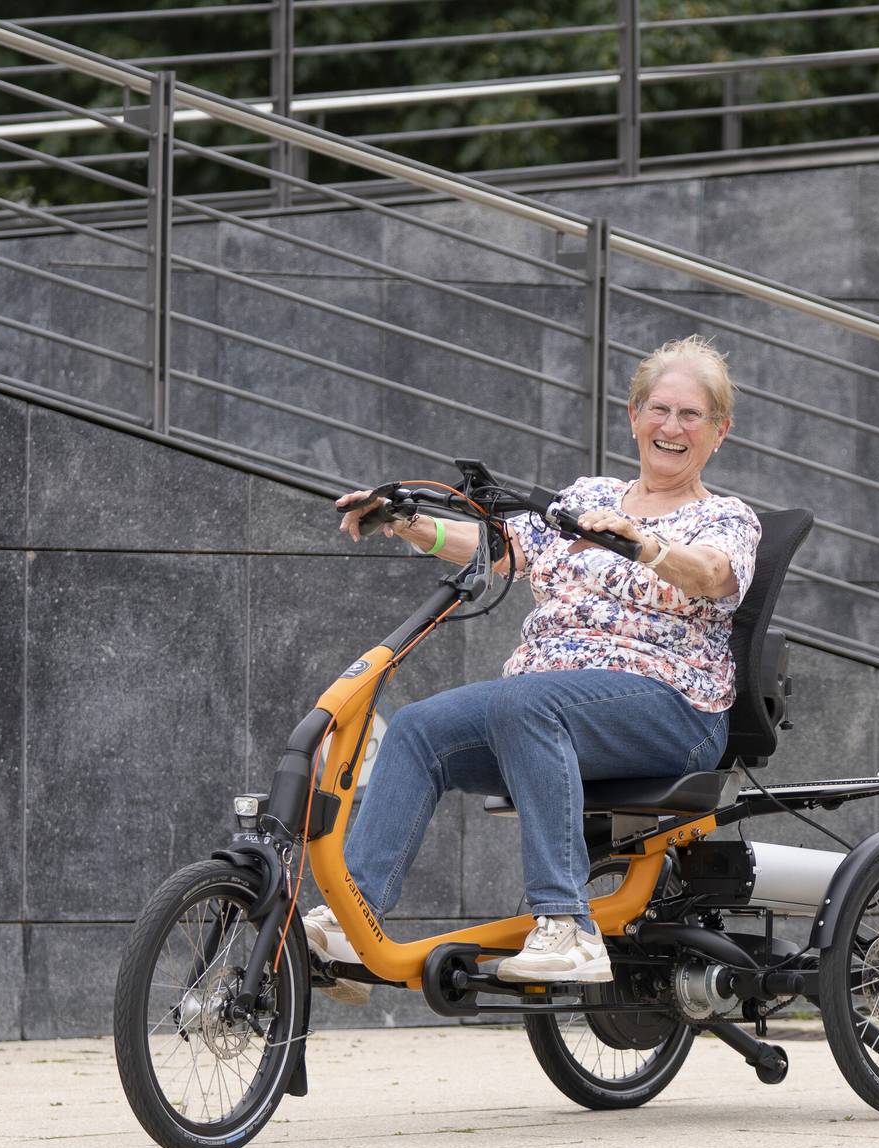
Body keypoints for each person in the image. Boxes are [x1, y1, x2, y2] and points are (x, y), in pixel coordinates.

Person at [306, 336, 762, 1001]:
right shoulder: (588, 495)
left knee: (530, 703)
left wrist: (647, 545)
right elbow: (500, 549)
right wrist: (405, 522)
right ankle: (354, 922)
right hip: (544, 706)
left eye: (691, 414)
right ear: (634, 415)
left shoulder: (724, 517)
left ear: (719, 431)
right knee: (417, 728)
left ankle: (568, 927)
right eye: (659, 409)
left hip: (673, 709)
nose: (671, 426)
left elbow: (712, 574)